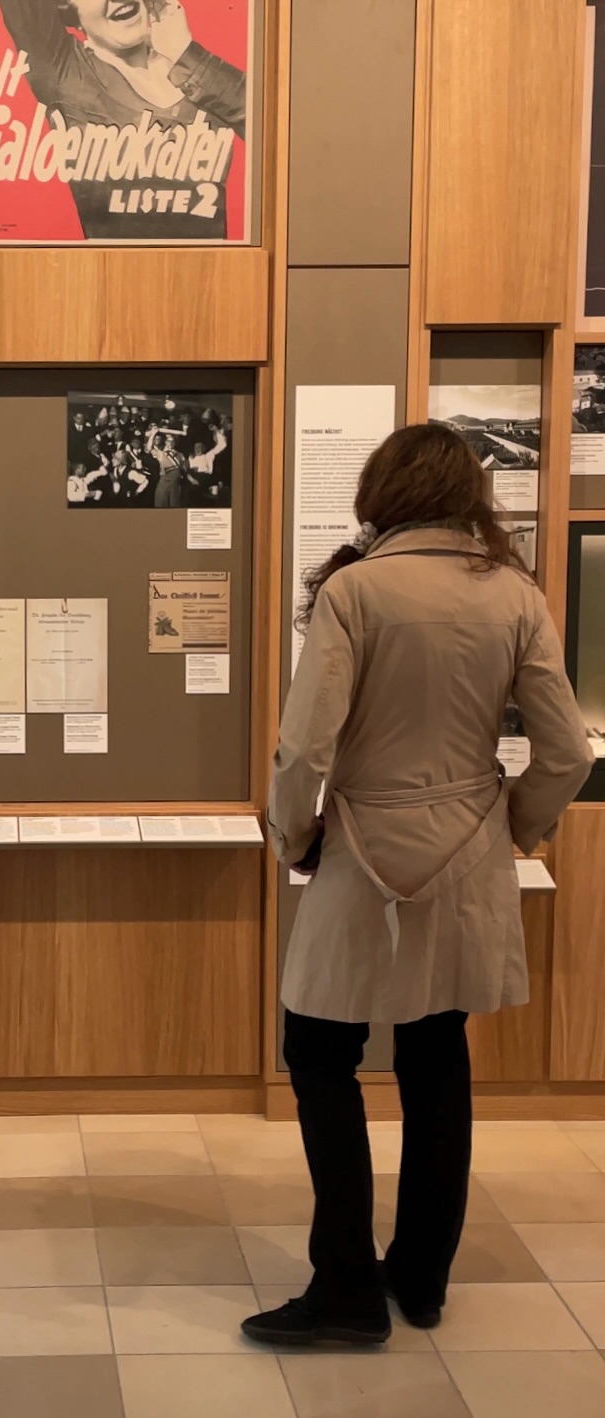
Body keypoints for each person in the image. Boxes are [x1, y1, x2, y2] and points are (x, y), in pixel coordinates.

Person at [242, 424, 594, 1349]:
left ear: (381, 491)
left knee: (319, 1053)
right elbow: (563, 752)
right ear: (469, 495)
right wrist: (515, 826)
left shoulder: (356, 590)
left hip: (364, 849)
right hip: (470, 848)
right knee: (437, 1055)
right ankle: (423, 1277)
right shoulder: (515, 594)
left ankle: (347, 1288)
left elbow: (302, 749)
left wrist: (296, 837)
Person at [0, 0, 247, 240]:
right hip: (114, 274)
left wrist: (186, 54)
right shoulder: (62, 71)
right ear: (68, 8)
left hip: (209, 273)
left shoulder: (196, 67)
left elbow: (275, 133)